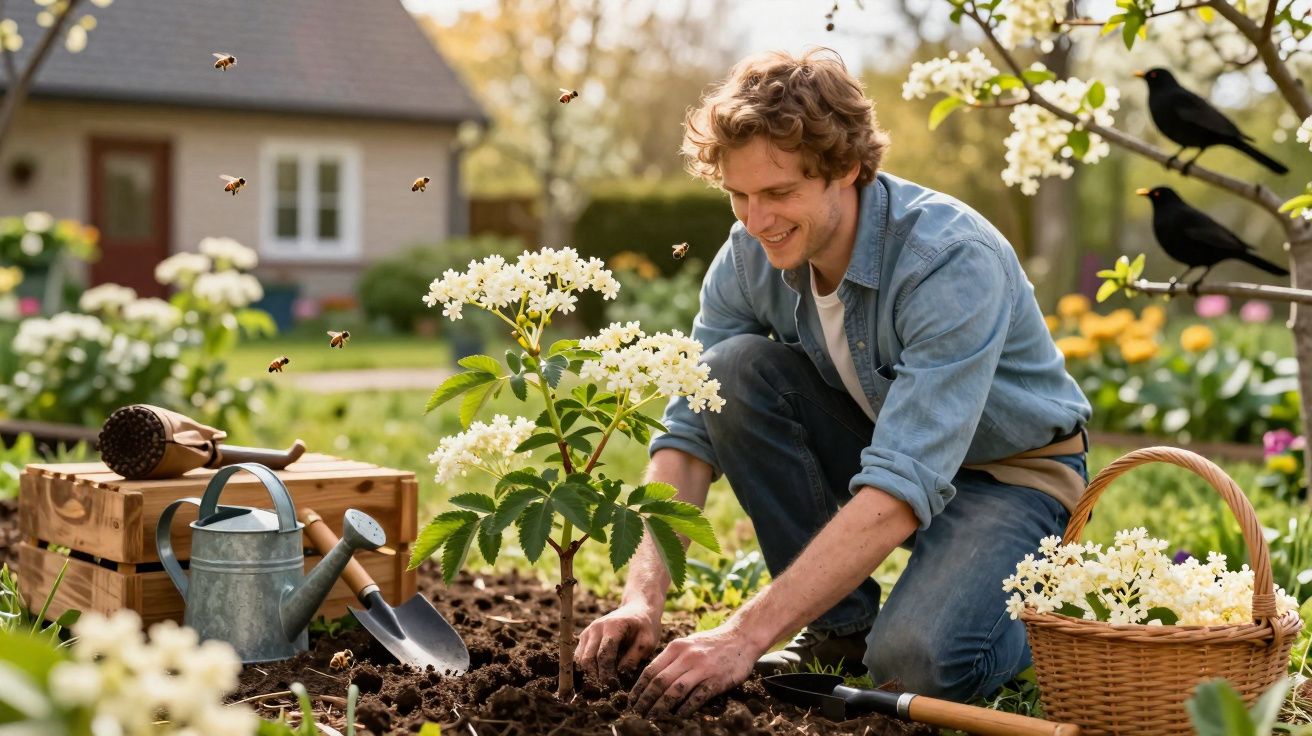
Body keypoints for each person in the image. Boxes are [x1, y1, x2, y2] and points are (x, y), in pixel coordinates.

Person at [573, 47, 1092, 718]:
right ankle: (841, 631)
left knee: (913, 665)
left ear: (846, 167)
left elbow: (902, 485)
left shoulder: (949, 261)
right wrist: (641, 596)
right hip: (885, 443)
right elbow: (687, 431)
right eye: (739, 195)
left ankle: (1045, 610)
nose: (756, 221)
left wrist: (744, 635)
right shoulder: (748, 256)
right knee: (726, 372)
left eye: (779, 193)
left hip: (1011, 476)